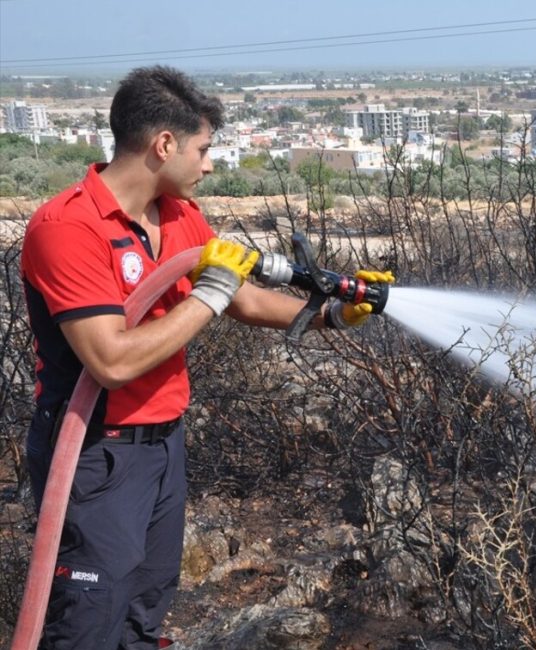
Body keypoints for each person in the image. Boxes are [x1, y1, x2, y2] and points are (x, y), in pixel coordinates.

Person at [20, 65, 389, 649]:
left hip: (163, 446)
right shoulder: (68, 227)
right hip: (95, 454)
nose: (211, 164)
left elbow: (240, 295)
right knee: (88, 622)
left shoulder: (179, 215)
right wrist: (210, 293)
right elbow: (111, 362)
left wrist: (331, 314)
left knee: (144, 614)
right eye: (204, 149)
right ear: (163, 145)